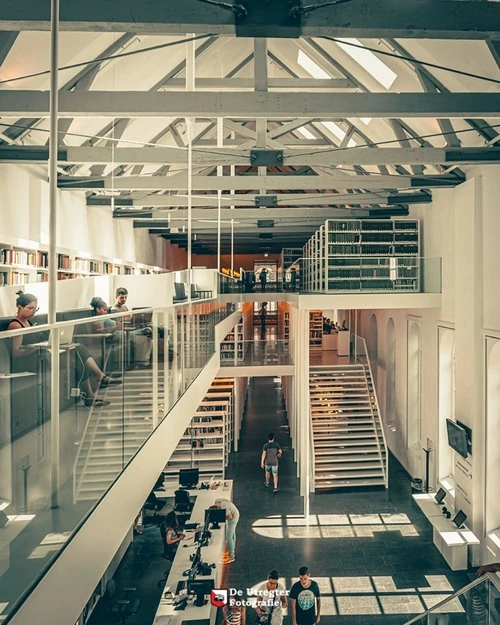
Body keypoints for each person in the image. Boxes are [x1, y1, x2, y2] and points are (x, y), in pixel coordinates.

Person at [8, 291, 120, 408]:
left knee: (79, 348)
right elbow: (15, 353)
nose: (33, 312)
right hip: (31, 361)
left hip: (40, 355)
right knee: (76, 360)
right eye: (30, 308)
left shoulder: (28, 322)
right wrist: (37, 348)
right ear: (19, 307)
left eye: (35, 309)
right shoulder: (15, 325)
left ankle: (98, 380)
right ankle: (92, 392)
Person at [111, 287, 153, 368]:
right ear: (116, 297)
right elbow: (119, 324)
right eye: (122, 297)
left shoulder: (124, 307)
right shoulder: (114, 310)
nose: (124, 299)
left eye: (125, 297)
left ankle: (145, 360)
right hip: (124, 331)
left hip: (131, 327)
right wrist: (128, 320)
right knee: (148, 331)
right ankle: (143, 361)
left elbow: (128, 319)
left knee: (149, 331)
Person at [214, 498, 239, 563]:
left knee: (229, 536)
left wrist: (221, 517)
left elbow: (230, 517)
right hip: (236, 514)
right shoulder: (219, 501)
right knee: (232, 534)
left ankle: (231, 556)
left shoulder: (223, 506)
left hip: (233, 518)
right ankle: (232, 549)